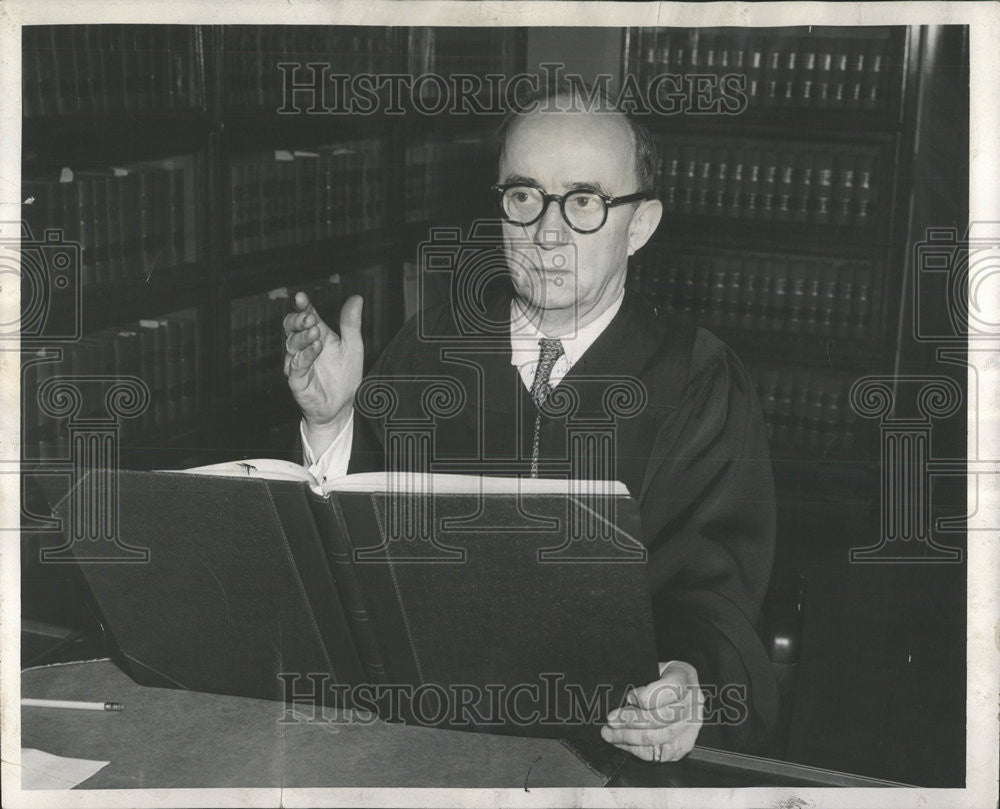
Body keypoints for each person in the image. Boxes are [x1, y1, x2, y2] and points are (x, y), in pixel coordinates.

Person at [282, 89, 778, 762]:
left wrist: (687, 681)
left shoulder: (695, 379)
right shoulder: (429, 352)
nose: (547, 231)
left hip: (604, 748)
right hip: (420, 738)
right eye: (524, 196)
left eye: (583, 201)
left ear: (639, 226)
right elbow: (343, 566)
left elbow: (712, 594)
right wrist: (334, 419)